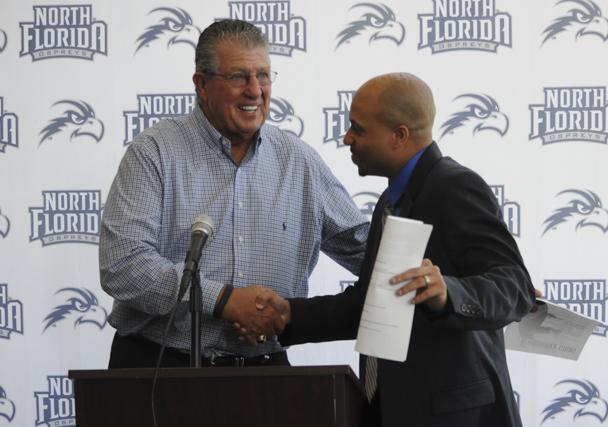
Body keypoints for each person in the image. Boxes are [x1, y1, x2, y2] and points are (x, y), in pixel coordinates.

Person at [252, 73, 536, 426]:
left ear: (399, 136)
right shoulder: (390, 200)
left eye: (358, 129)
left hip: (453, 415)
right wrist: (288, 315)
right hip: (394, 410)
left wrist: (449, 292)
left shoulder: (456, 188)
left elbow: (516, 286)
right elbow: (373, 306)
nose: (347, 138)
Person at [98, 19, 368, 368]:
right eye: (239, 76)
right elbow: (123, 265)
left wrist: (441, 269)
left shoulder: (298, 160)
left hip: (265, 370)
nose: (255, 90)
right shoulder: (154, 152)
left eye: (264, 75)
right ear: (202, 84)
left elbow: (365, 248)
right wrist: (223, 300)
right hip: (161, 367)